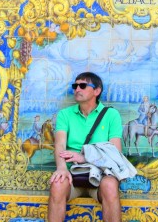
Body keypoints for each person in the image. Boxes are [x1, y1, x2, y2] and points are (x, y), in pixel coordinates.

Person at [48, 71, 123, 222]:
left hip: (101, 175)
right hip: (73, 174)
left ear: (97, 91)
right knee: (57, 183)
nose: (77, 89)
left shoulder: (111, 115)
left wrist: (84, 157)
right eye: (75, 86)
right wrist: (62, 168)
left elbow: (115, 152)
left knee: (110, 184)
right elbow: (60, 144)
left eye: (82, 86)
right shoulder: (65, 115)